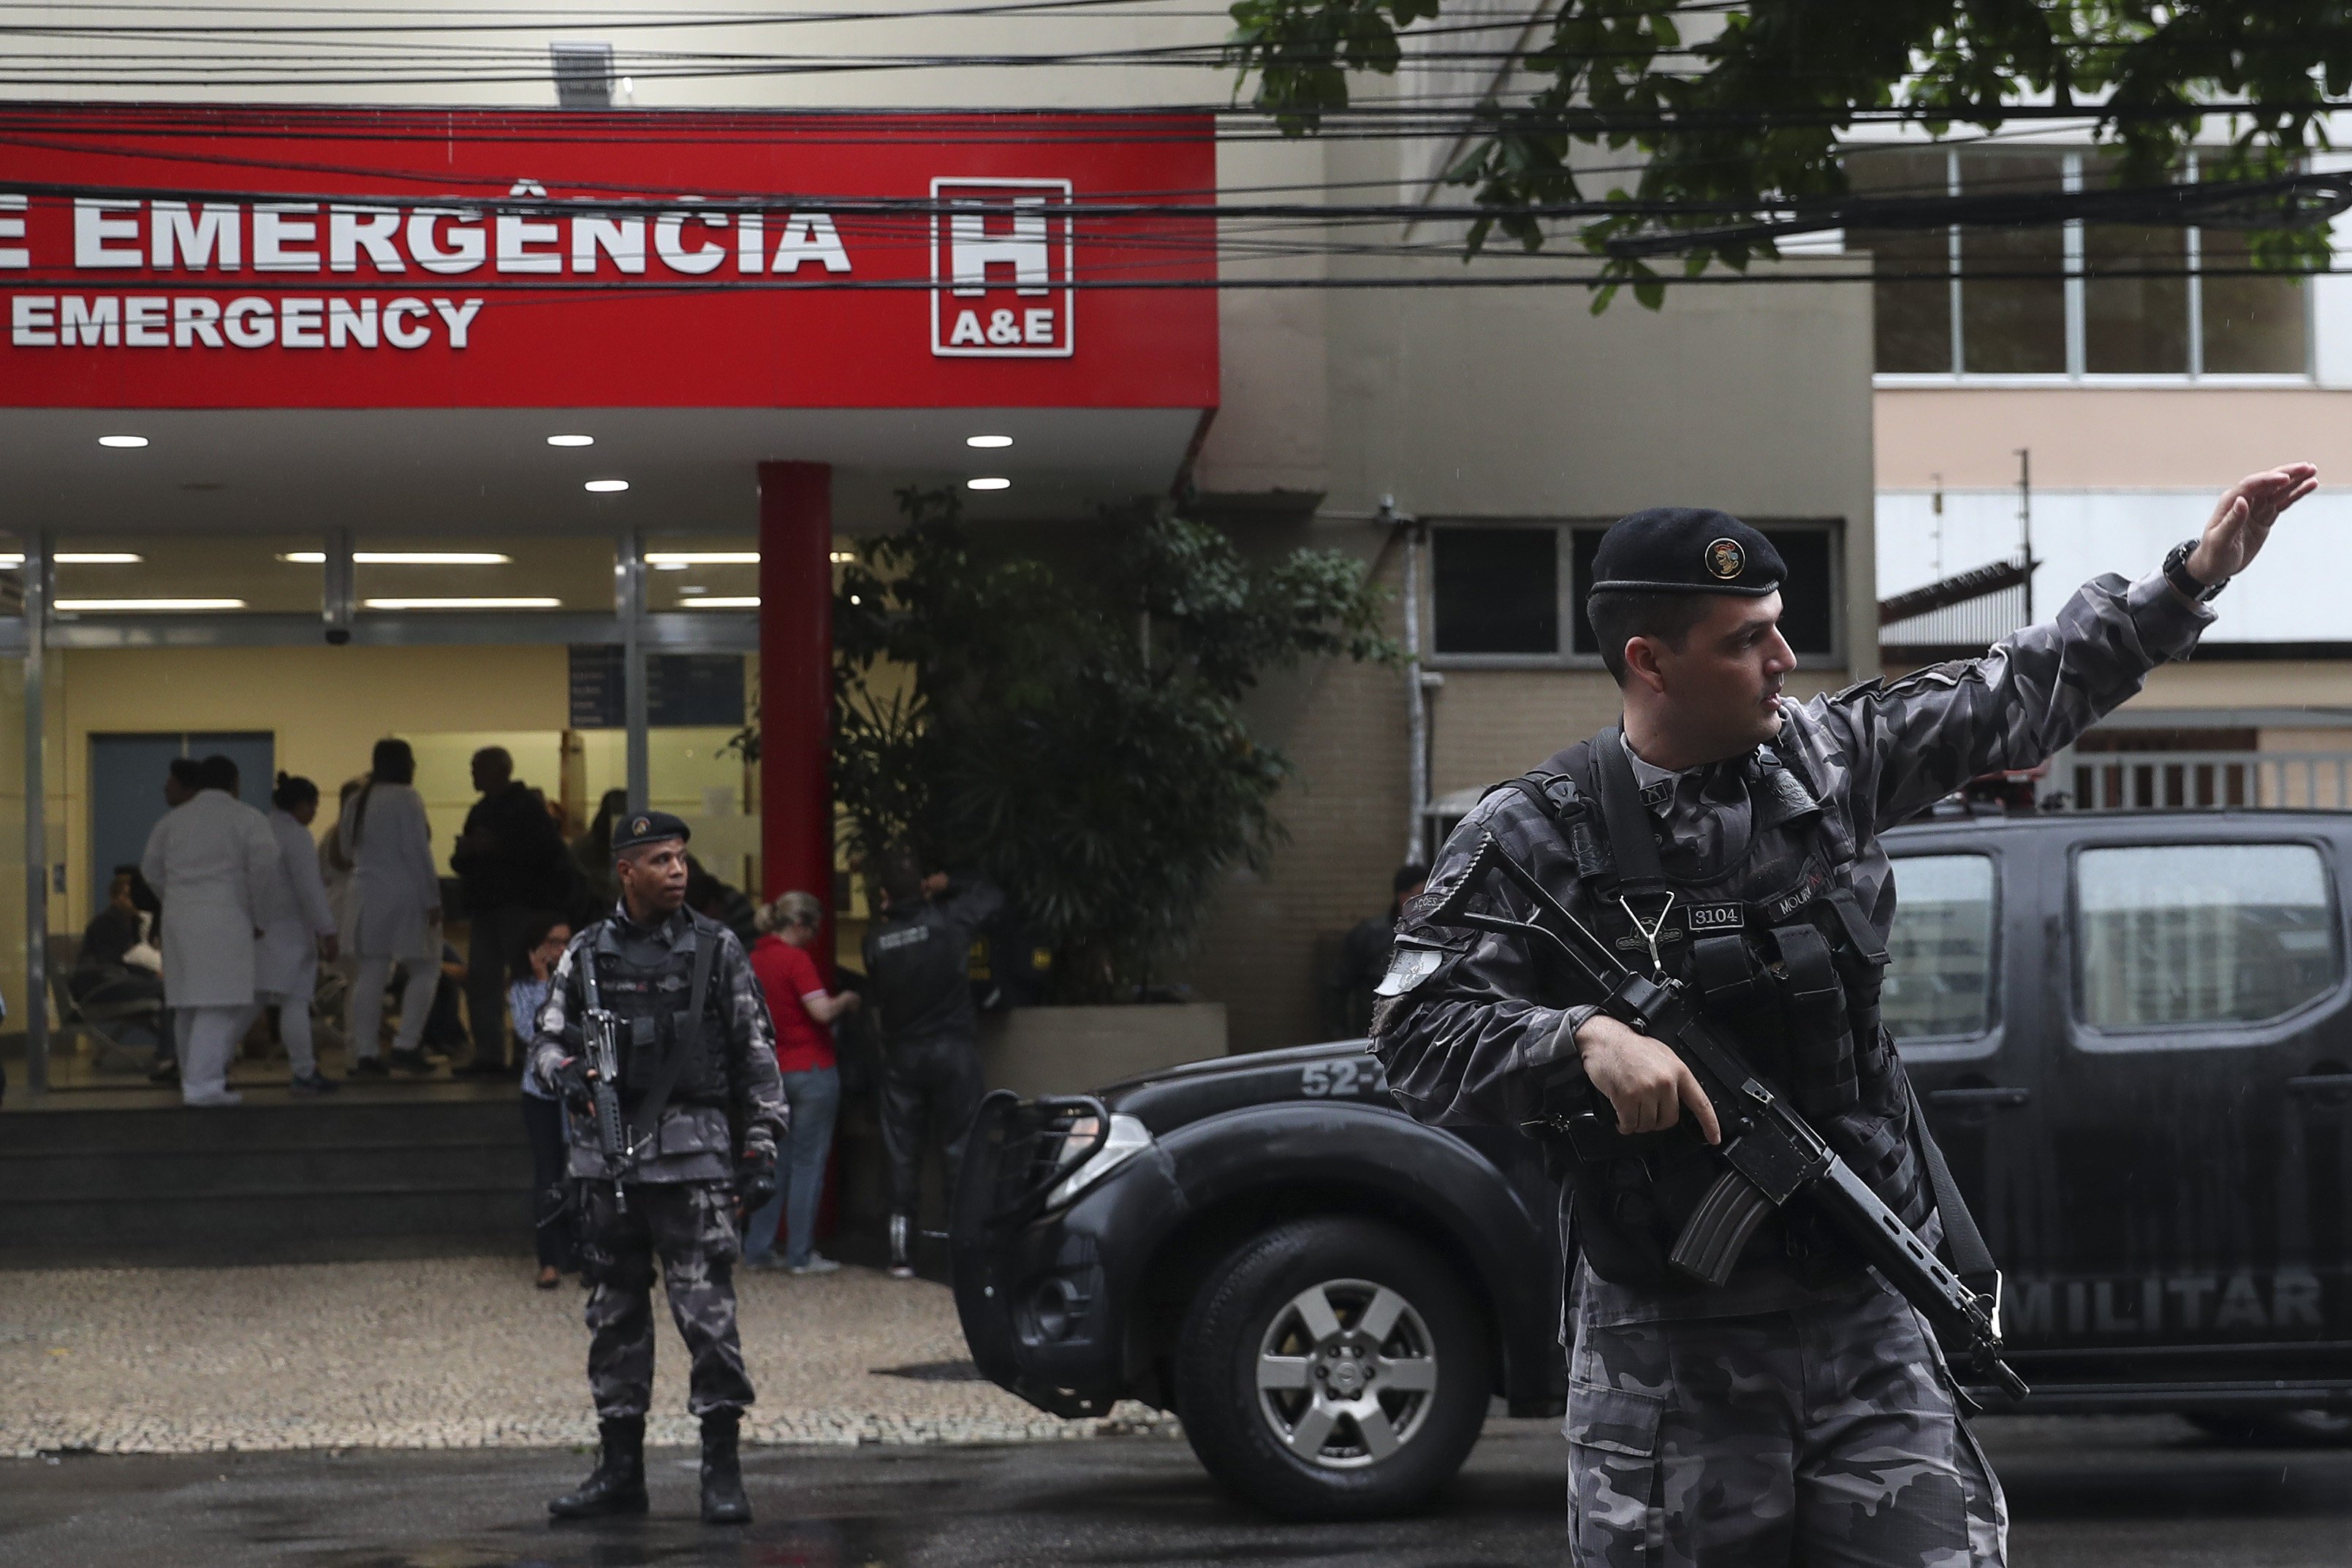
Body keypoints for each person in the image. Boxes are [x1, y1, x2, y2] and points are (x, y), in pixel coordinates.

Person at [1373, 470, 2319, 1567]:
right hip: (1671, 1346)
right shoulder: (1534, 833)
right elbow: (1411, 1032)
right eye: (1745, 641)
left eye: (1780, 631)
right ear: (1650, 659)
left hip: (1863, 1295)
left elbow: (2014, 692)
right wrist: (1577, 1039)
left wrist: (2186, 581)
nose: (1783, 661)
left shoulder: (1825, 760)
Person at [531, 810, 787, 1526]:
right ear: (626, 870)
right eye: (661, 860)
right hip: (607, 1167)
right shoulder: (583, 953)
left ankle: (721, 1469)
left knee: (707, 1319)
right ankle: (619, 1471)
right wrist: (571, 1073)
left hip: (694, 1164)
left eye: (680, 857)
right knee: (613, 1318)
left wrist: (762, 1148)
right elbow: (544, 1042)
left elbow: (754, 1053)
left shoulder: (716, 948)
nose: (677, 870)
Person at [860, 847, 1003, 1279]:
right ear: (925, 884)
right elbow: (993, 896)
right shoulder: (951, 920)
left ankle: (900, 1252)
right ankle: (964, 1248)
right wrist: (949, 884)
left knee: (901, 1150)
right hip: (953, 1050)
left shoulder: (874, 943)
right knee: (960, 1146)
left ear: (884, 894)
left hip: (903, 1054)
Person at [140, 753, 280, 1108]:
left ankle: (193, 1078)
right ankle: (204, 1084)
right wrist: (256, 914)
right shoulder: (248, 819)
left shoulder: (172, 821)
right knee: (219, 1004)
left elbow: (151, 869)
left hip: (178, 918)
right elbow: (264, 870)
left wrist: (175, 897)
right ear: (234, 783)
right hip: (225, 916)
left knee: (187, 1004)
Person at [742, 890, 858, 1275]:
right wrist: (847, 1000)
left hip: (772, 1074)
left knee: (773, 1163)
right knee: (808, 1164)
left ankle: (757, 1249)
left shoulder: (755, 959)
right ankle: (800, 1255)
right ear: (800, 924)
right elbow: (821, 1012)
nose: (815, 936)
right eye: (814, 927)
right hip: (811, 1068)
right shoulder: (796, 960)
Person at [451, 746, 569, 1076]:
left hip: (518, 906)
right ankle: (491, 1053)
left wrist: (493, 848)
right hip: (491, 906)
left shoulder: (525, 809)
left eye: (478, 768)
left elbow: (541, 854)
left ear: (499, 771)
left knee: (520, 980)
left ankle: (522, 1052)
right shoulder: (488, 810)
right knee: (485, 982)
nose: (473, 775)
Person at [341, 739, 441, 1077]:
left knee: (370, 975)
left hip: (364, 895)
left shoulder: (357, 799)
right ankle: (405, 1044)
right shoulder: (407, 798)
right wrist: (433, 900)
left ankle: (365, 1053)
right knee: (426, 968)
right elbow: (418, 852)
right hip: (405, 893)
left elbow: (344, 849)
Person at [254, 774, 341, 1095]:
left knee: (251, 1002)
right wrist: (328, 931)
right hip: (290, 934)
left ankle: (206, 1066)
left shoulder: (259, 830)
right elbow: (310, 890)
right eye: (314, 806)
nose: (315, 813)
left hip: (259, 932)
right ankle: (304, 1071)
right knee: (295, 1002)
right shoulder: (297, 836)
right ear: (302, 805)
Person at [512, 910, 577, 1289]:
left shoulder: (581, 983)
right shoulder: (521, 988)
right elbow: (529, 1031)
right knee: (548, 1173)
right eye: (553, 942)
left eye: (566, 941)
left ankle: (582, 1251)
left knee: (583, 1171)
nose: (561, 949)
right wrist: (541, 981)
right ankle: (549, 1258)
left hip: (577, 1088)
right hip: (541, 1092)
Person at [69, 872, 167, 1052]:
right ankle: (169, 1053)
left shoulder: (137, 923)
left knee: (169, 990)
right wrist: (152, 974)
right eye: (127, 896)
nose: (133, 901)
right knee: (166, 990)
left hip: (120, 980)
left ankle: (171, 1050)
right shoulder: (104, 924)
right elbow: (113, 963)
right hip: (100, 986)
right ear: (115, 898)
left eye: (135, 896)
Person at [1332, 862, 1427, 1038]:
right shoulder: (1370, 936)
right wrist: (1340, 1036)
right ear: (1404, 898)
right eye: (1422, 894)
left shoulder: (1441, 937)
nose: (1428, 901)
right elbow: (1338, 987)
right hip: (1375, 1039)